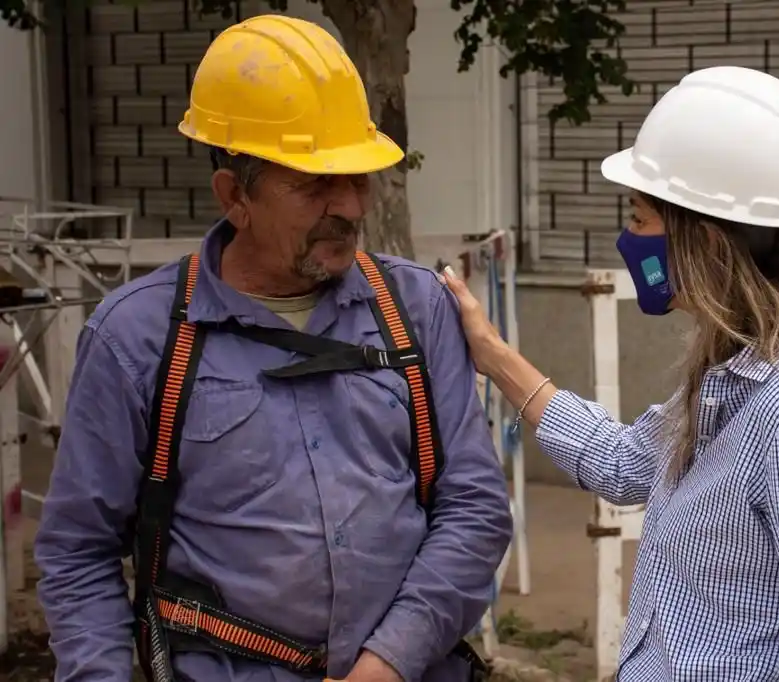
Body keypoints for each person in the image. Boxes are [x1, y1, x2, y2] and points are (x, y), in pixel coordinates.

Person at [34, 14, 512, 682]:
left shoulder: (416, 312)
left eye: (358, 179)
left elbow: (475, 510)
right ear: (235, 197)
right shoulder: (137, 340)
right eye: (315, 185)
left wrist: (388, 662)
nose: (348, 206)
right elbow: (79, 554)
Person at [443, 66, 779, 681]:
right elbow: (624, 464)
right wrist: (494, 354)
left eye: (639, 218)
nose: (626, 238)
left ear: (707, 241)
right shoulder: (732, 377)